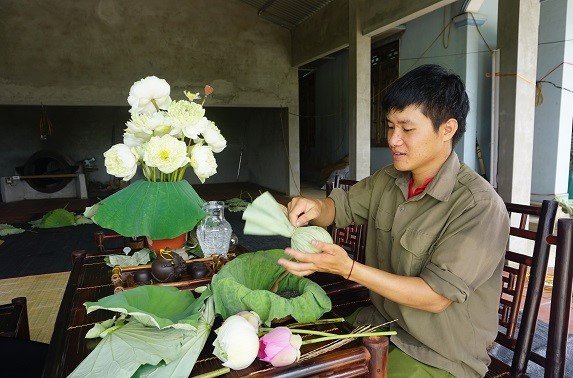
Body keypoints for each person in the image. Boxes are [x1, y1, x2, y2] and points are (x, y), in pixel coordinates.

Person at [280, 64, 510, 377]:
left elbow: (434, 297)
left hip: (439, 354)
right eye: (390, 127)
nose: (393, 140)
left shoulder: (478, 206)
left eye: (407, 128)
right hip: (380, 323)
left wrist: (347, 268)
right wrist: (314, 206)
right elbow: (340, 207)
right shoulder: (389, 179)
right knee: (297, 359)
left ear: (447, 129)